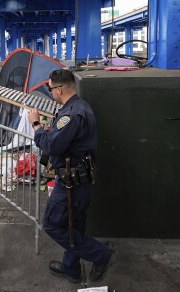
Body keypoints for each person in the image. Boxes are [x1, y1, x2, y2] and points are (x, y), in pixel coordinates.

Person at [28, 69, 114, 284]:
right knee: (73, 226)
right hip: (80, 180)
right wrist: (50, 130)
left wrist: (36, 125)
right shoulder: (77, 107)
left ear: (59, 89)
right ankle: (71, 268)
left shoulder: (72, 114)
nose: (50, 93)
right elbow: (62, 139)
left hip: (71, 184)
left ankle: (101, 255)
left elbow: (51, 144)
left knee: (52, 224)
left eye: (50, 89)